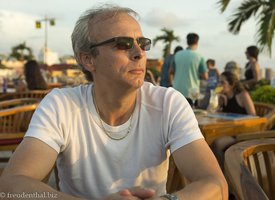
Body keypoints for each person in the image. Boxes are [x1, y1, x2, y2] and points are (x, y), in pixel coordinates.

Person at [0, 4, 228, 200]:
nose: (139, 53)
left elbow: (216, 185)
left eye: (142, 43)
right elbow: (11, 187)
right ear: (88, 59)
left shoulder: (168, 103)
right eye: (123, 44)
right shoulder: (61, 106)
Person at [211, 71, 256, 171]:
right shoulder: (223, 97)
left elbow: (253, 115)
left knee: (217, 143)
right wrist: (217, 99)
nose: (219, 85)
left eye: (222, 83)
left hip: (242, 133)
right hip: (228, 131)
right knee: (207, 140)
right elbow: (213, 112)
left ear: (231, 84)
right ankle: (216, 171)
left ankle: (225, 172)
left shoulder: (242, 95)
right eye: (219, 82)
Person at [170, 33, 208, 106]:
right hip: (192, 93)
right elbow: (205, 76)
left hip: (177, 91)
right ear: (197, 42)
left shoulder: (177, 55)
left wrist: (173, 83)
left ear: (187, 42)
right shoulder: (199, 57)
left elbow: (171, 72)